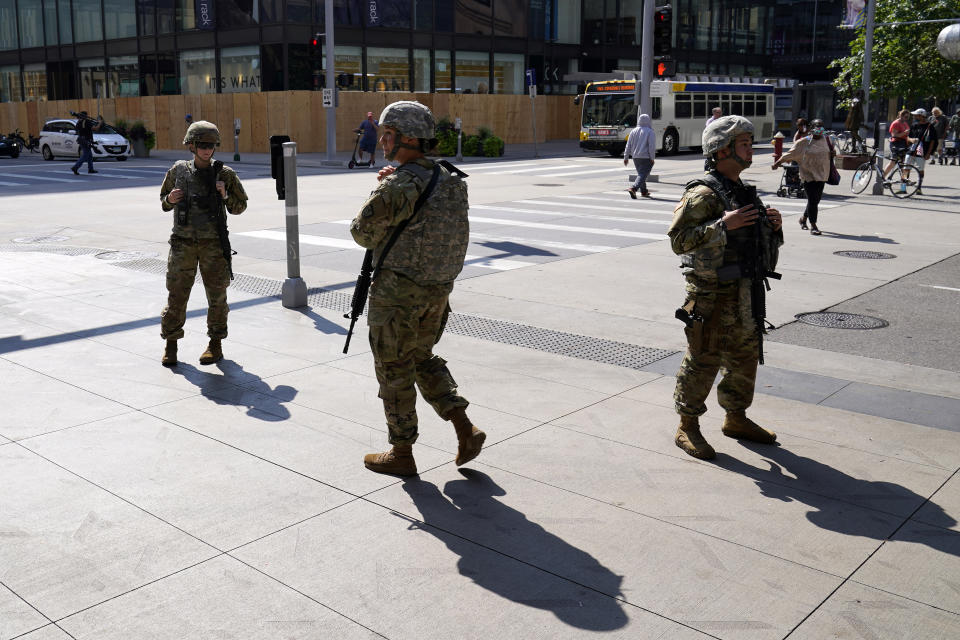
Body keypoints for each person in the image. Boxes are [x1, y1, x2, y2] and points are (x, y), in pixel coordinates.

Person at [349, 100, 485, 476]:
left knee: (394, 371)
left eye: (386, 135)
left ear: (405, 139)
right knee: (422, 359)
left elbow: (362, 232)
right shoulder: (448, 178)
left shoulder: (400, 183)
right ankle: (464, 428)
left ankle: (402, 452)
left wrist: (386, 188)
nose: (381, 142)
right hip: (436, 294)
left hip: (398, 295)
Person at [668, 115, 784, 460]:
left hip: (746, 291)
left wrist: (772, 226)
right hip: (711, 295)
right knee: (703, 359)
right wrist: (722, 225)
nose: (751, 149)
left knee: (745, 357)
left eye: (749, 142)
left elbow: (753, 240)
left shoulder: (744, 191)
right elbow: (678, 240)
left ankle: (736, 417)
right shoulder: (702, 193)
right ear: (722, 150)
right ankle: (687, 426)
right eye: (744, 144)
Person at [158, 121, 248, 367]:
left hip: (213, 246)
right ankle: (171, 344)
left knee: (217, 297)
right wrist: (170, 198)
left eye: (211, 146)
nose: (207, 150)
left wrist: (225, 195)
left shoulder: (224, 174)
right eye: (202, 145)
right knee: (177, 296)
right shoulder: (178, 171)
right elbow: (163, 201)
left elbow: (240, 207)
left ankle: (215, 344)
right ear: (191, 146)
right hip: (183, 245)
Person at [772, 118, 834, 235]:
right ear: (811, 128)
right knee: (812, 200)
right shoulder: (804, 141)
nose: (819, 129)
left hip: (822, 175)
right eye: (816, 126)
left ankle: (803, 219)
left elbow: (830, 152)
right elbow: (791, 153)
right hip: (808, 175)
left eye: (821, 127)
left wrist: (832, 154)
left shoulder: (826, 139)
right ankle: (813, 226)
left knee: (815, 200)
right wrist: (777, 162)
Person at [623, 113, 656, 198]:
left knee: (641, 174)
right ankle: (634, 188)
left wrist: (626, 157)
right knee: (643, 174)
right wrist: (652, 158)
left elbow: (628, 145)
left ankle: (644, 191)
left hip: (635, 157)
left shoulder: (633, 131)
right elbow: (651, 146)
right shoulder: (650, 131)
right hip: (646, 157)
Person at [906, 108, 936, 195]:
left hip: (921, 152)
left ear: (922, 116)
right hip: (911, 151)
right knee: (906, 169)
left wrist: (928, 153)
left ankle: (919, 188)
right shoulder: (914, 125)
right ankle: (903, 188)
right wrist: (911, 140)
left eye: (916, 115)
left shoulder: (930, 127)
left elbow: (932, 141)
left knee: (920, 170)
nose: (914, 116)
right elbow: (908, 137)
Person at [883, 109, 912, 181]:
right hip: (896, 144)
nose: (906, 119)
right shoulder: (896, 123)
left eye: (908, 117)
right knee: (893, 162)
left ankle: (904, 179)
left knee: (904, 163)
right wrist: (904, 133)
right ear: (901, 115)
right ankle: (882, 177)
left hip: (904, 144)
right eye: (905, 117)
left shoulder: (905, 123)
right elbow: (894, 135)